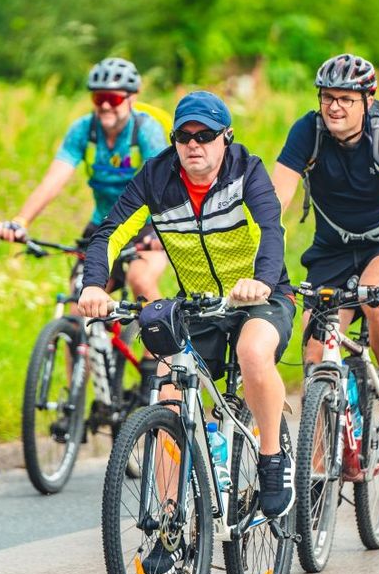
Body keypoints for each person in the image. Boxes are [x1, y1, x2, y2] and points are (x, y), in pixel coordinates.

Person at [78, 92, 296, 533]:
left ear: (226, 138)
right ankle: (168, 523)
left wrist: (262, 281)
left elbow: (272, 230)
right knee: (169, 392)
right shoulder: (157, 178)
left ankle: (273, 459)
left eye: (206, 135)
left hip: (261, 296)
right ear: (174, 139)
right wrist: (94, 284)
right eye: (184, 136)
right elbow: (109, 234)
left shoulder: (247, 171)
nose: (194, 144)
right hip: (199, 304)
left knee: (254, 353)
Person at [271, 53, 379, 434]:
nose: (334, 107)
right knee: (314, 350)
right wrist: (260, 261)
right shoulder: (308, 132)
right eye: (327, 97)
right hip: (331, 249)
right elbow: (274, 202)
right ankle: (318, 469)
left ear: (367, 100)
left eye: (345, 99)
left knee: (376, 300)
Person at [0, 57, 168, 302]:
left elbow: (163, 183)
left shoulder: (146, 130)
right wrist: (21, 221)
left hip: (147, 226)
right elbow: (53, 180)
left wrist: (162, 232)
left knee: (140, 279)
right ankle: (90, 340)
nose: (105, 106)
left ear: (132, 98)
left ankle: (167, 339)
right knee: (80, 301)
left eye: (114, 98)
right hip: (103, 225)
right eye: (99, 98)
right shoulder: (83, 130)